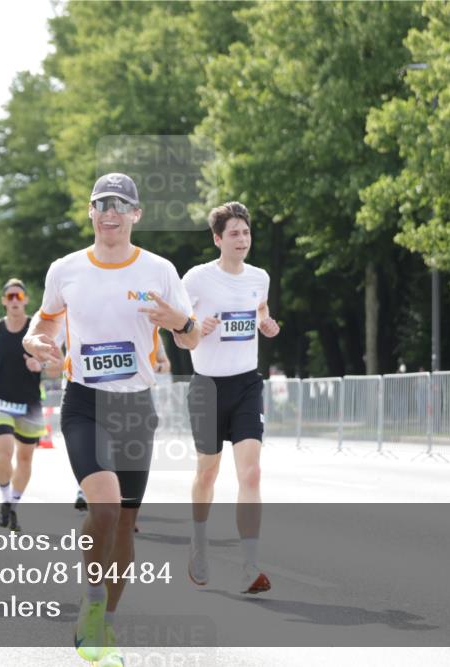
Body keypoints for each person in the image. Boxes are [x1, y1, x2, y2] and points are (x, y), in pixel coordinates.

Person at [23, 173, 199, 666]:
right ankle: (93, 598)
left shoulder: (160, 270)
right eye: (102, 204)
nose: (110, 212)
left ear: (136, 214)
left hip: (136, 407)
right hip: (85, 402)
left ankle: (104, 624)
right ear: (91, 212)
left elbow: (190, 338)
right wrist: (34, 339)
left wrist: (181, 323)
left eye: (121, 205)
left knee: (124, 526)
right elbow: (47, 319)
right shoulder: (66, 269)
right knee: (103, 508)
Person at [182, 201, 279, 595]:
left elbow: (260, 309)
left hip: (246, 385)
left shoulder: (259, 277)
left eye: (246, 232)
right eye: (234, 233)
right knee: (208, 473)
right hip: (207, 387)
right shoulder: (197, 279)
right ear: (217, 239)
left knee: (251, 473)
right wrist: (195, 328)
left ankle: (249, 565)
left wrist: (266, 323)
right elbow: (178, 330)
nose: (242, 239)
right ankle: (198, 543)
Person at [0, 279, 63, 533]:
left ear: (26, 300)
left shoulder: (37, 330)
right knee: (4, 450)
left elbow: (58, 366)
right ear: (3, 301)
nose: (14, 300)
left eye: (19, 296)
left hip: (29, 403)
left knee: (25, 458)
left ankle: (12, 505)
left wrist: (41, 366)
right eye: (10, 296)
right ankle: (5, 499)